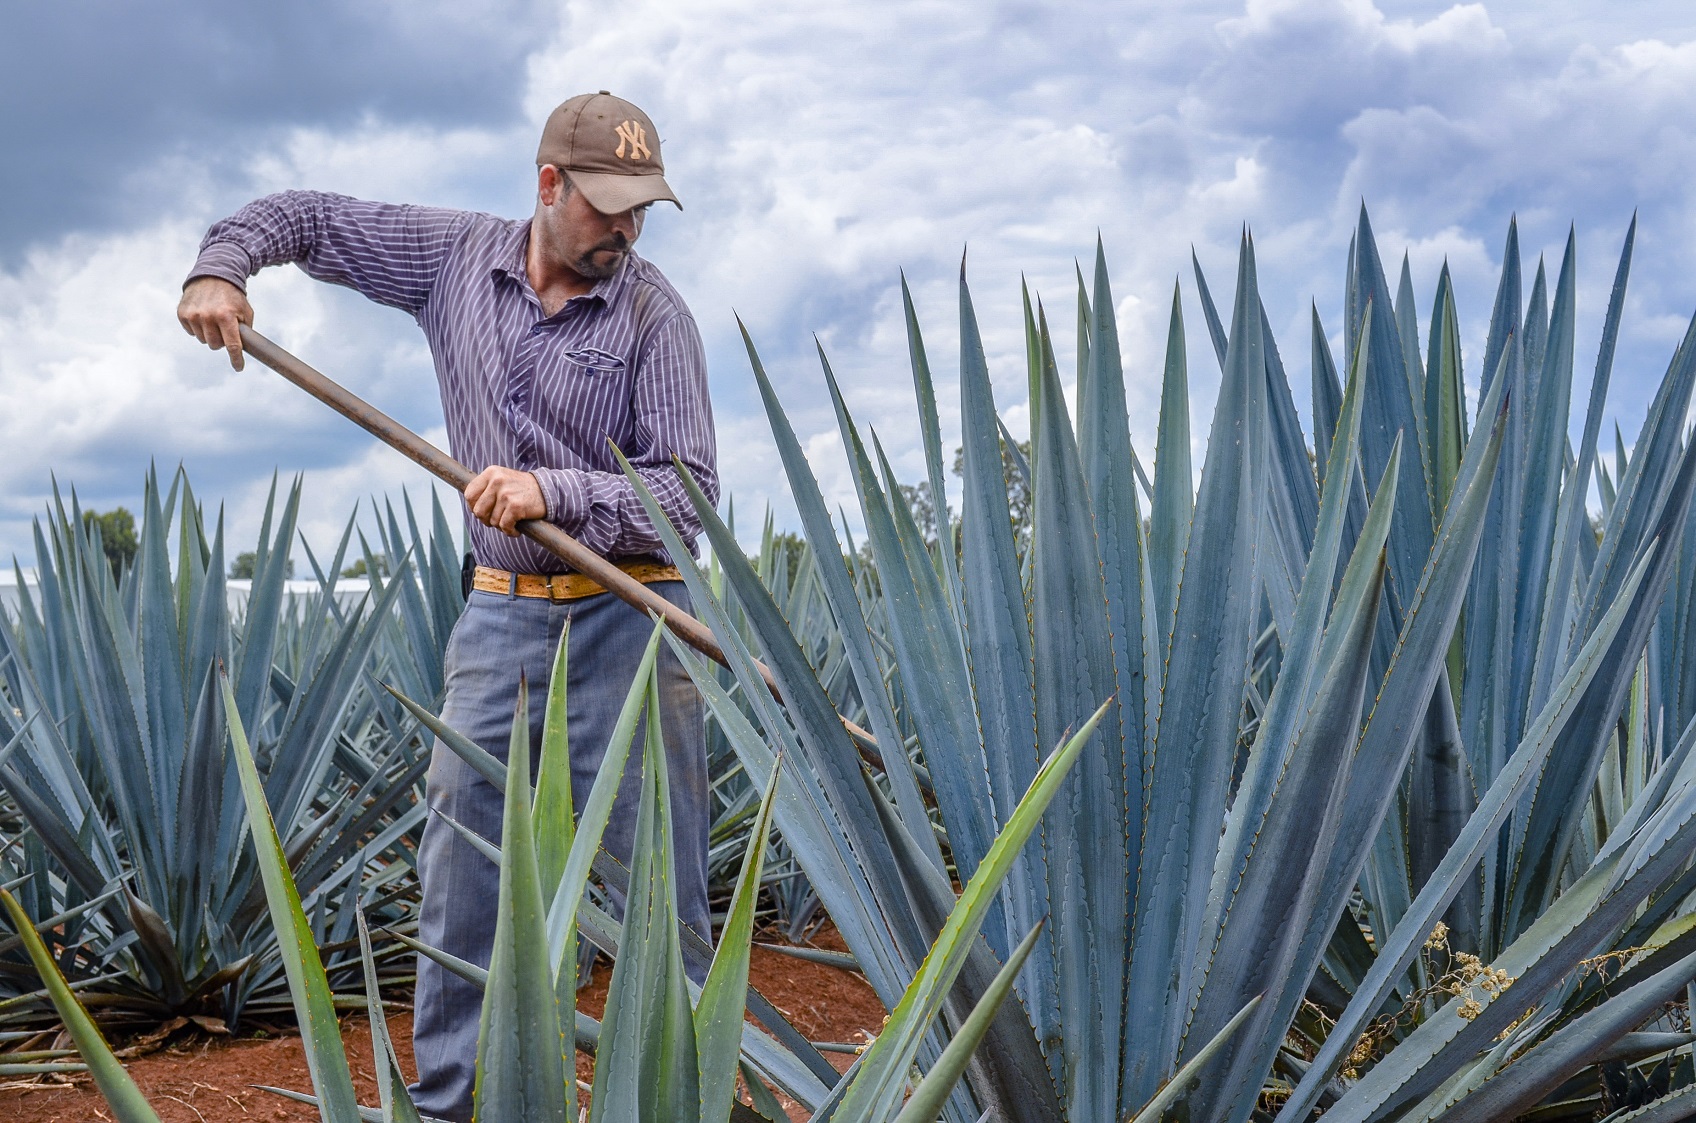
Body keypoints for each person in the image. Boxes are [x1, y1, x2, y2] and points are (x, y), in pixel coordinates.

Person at [176, 92, 716, 1122]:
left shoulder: (656, 316)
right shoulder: (453, 260)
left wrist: (551, 490)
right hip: (504, 612)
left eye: (642, 208)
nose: (626, 229)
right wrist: (223, 265)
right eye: (607, 205)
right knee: (463, 861)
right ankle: (454, 1104)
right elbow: (311, 218)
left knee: (655, 875)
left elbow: (688, 493)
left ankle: (675, 1093)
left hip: (635, 615)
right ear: (548, 185)